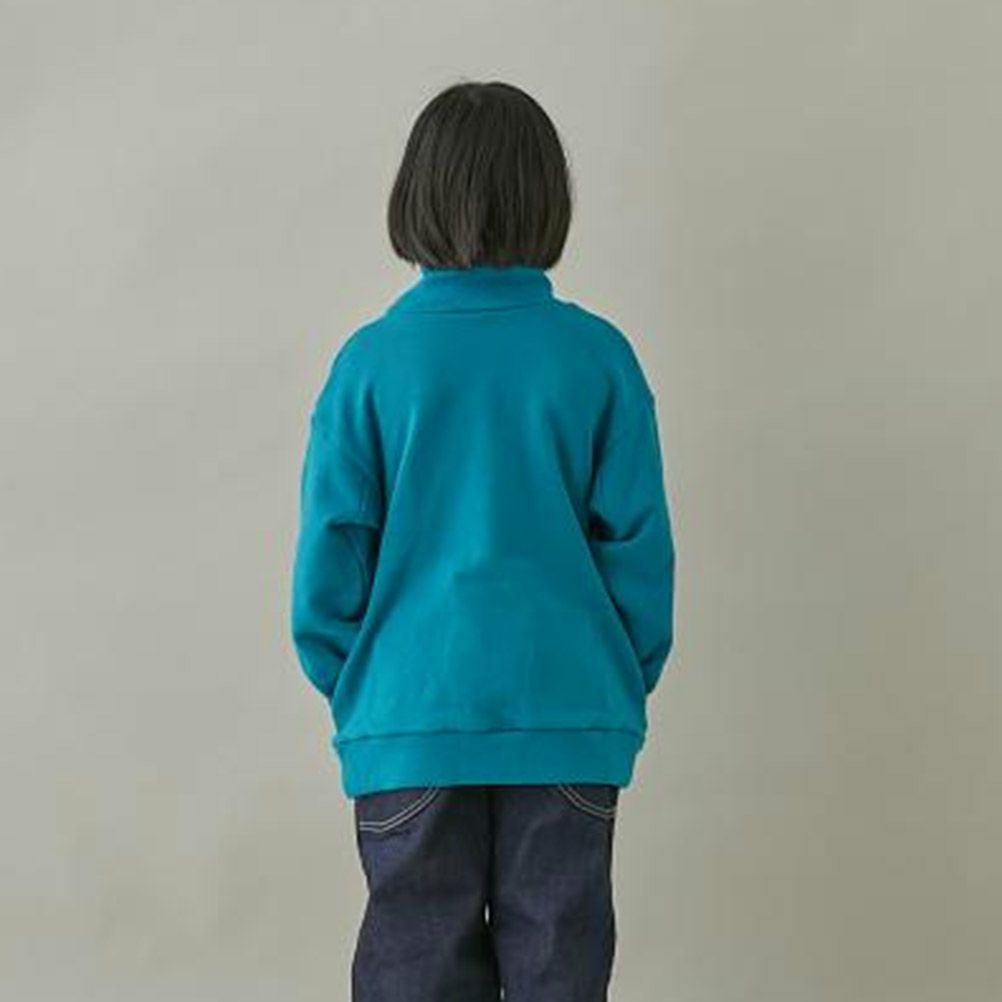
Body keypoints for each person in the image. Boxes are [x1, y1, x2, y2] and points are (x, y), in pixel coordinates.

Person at [290, 79, 676, 1002]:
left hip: (409, 717)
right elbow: (638, 553)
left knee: (414, 968)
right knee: (559, 972)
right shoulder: (597, 358)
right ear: (548, 199)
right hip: (568, 716)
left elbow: (329, 568)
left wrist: (371, 691)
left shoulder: (370, 363)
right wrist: (607, 684)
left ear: (414, 196)